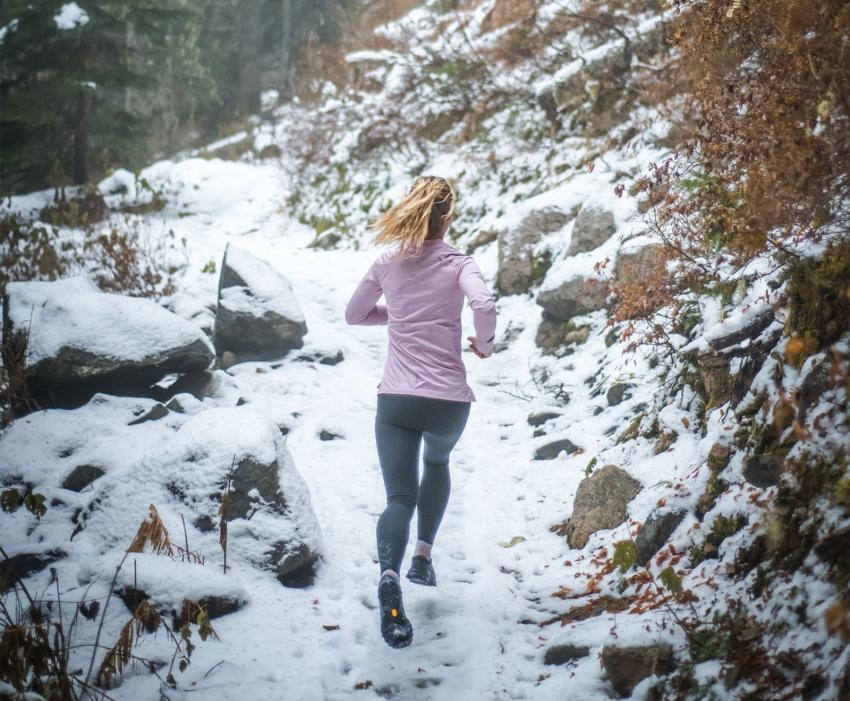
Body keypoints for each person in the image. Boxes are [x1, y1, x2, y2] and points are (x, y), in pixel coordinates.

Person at [344, 175, 497, 649]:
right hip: (448, 402)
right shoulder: (459, 263)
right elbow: (484, 304)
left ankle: (389, 573)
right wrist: (484, 344)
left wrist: (401, 314)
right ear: (448, 215)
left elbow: (354, 315)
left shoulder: (387, 263)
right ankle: (423, 557)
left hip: (396, 402)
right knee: (437, 463)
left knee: (397, 500)